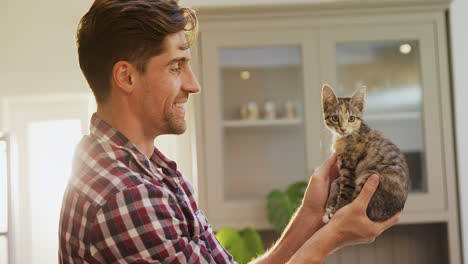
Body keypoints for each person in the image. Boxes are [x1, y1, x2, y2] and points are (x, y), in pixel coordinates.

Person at [58, 0, 400, 263]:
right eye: (176, 66)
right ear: (127, 77)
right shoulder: (125, 196)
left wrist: (312, 217)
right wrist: (333, 236)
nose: (194, 85)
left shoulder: (152, 172)